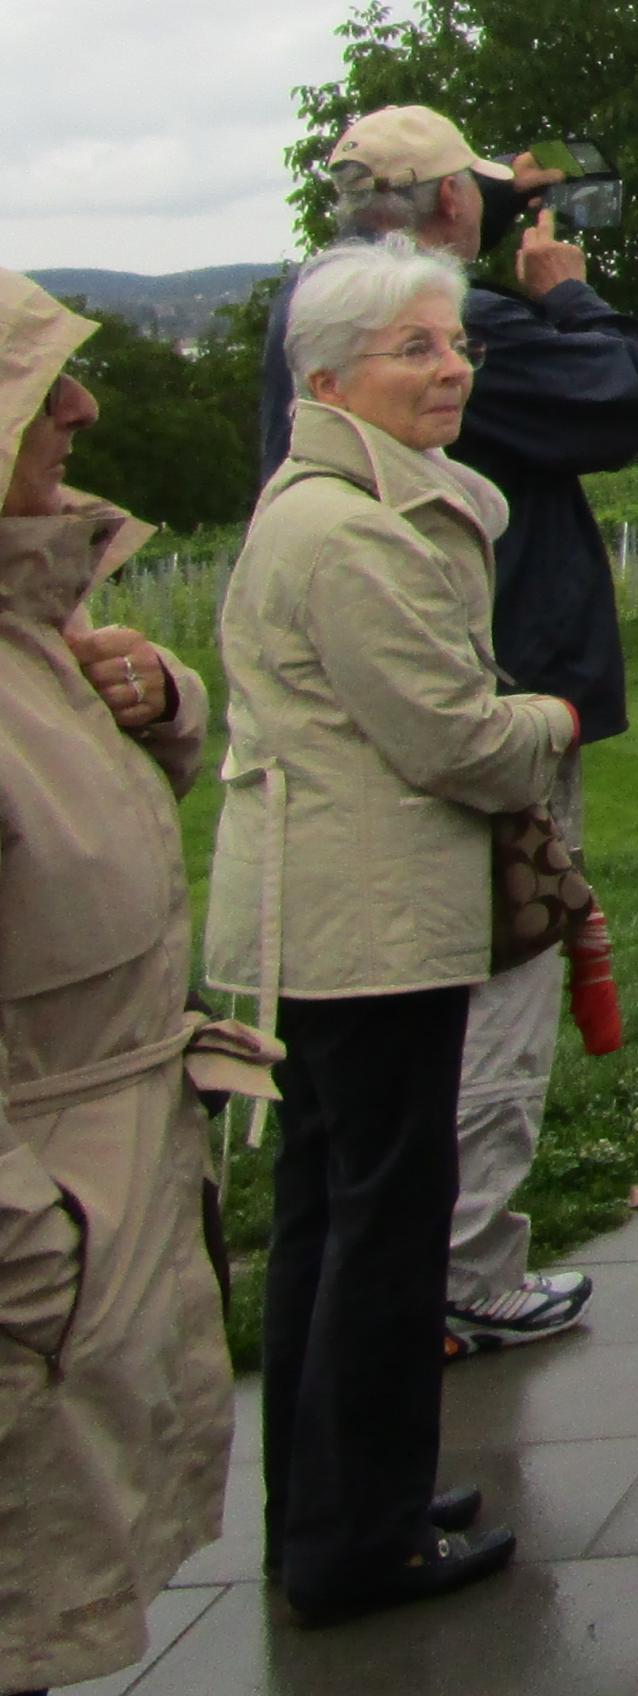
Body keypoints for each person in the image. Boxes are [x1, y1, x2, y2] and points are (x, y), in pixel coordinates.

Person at [261, 103, 638, 1354]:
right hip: (490, 697)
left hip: (369, 733)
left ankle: (390, 1300)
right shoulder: (453, 325)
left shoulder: (314, 316)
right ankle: (462, 1270)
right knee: (501, 978)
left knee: (379, 1075)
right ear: (453, 203)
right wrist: (568, 294)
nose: (447, 368)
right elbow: (627, 398)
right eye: (487, 195)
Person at [212, 241, 583, 1626]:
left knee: (335, 1216)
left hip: (330, 921)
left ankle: (328, 1508)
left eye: (456, 344)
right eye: (415, 349)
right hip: (366, 928)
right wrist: (551, 720)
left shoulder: (328, 506)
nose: (452, 370)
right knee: (381, 1230)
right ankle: (358, 1540)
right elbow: (453, 739)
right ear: (326, 381)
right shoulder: (352, 532)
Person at [0, 273, 262, 1693]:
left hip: (84, 1221)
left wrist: (159, 697)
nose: (85, 408)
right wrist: (30, 1249)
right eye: (41, 385)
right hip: (43, 1240)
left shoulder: (32, 614)